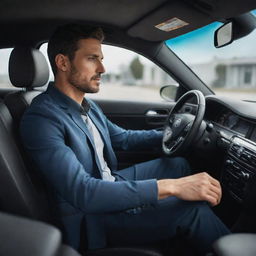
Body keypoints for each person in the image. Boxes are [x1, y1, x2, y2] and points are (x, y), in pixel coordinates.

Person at [20, 24, 230, 255]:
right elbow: (84, 193)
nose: (102, 68)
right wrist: (173, 187)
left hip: (109, 181)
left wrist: (173, 133)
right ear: (63, 63)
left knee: (177, 164)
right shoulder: (42, 118)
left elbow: (123, 139)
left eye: (101, 59)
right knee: (192, 209)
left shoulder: (86, 106)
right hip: (90, 218)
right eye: (92, 59)